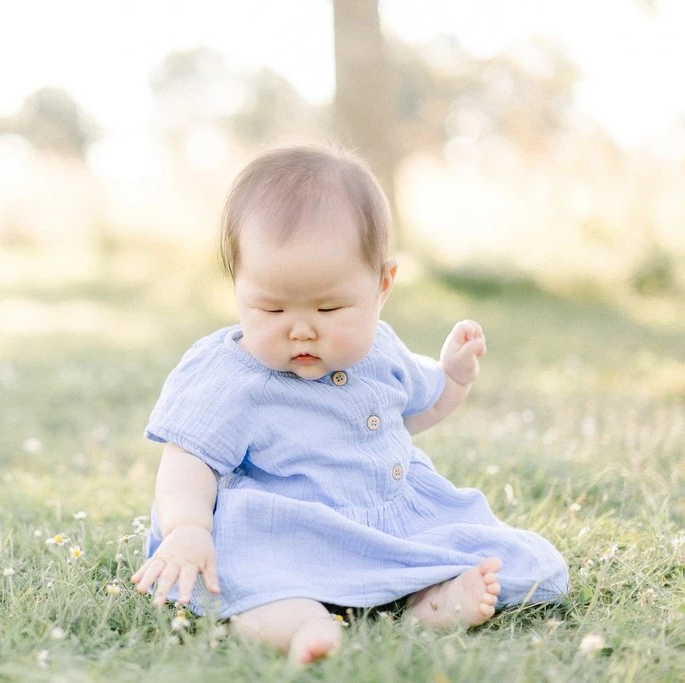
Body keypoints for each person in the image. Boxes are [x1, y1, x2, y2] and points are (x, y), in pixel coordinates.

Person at [131, 146, 569, 664]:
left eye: (329, 306)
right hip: (284, 532)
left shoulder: (379, 349)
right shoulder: (230, 375)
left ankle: (429, 600)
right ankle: (302, 624)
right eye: (270, 306)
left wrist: (453, 378)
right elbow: (188, 460)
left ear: (382, 286)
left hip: (388, 520)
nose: (300, 328)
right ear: (238, 287)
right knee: (238, 576)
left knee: (526, 563)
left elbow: (412, 414)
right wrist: (187, 530)